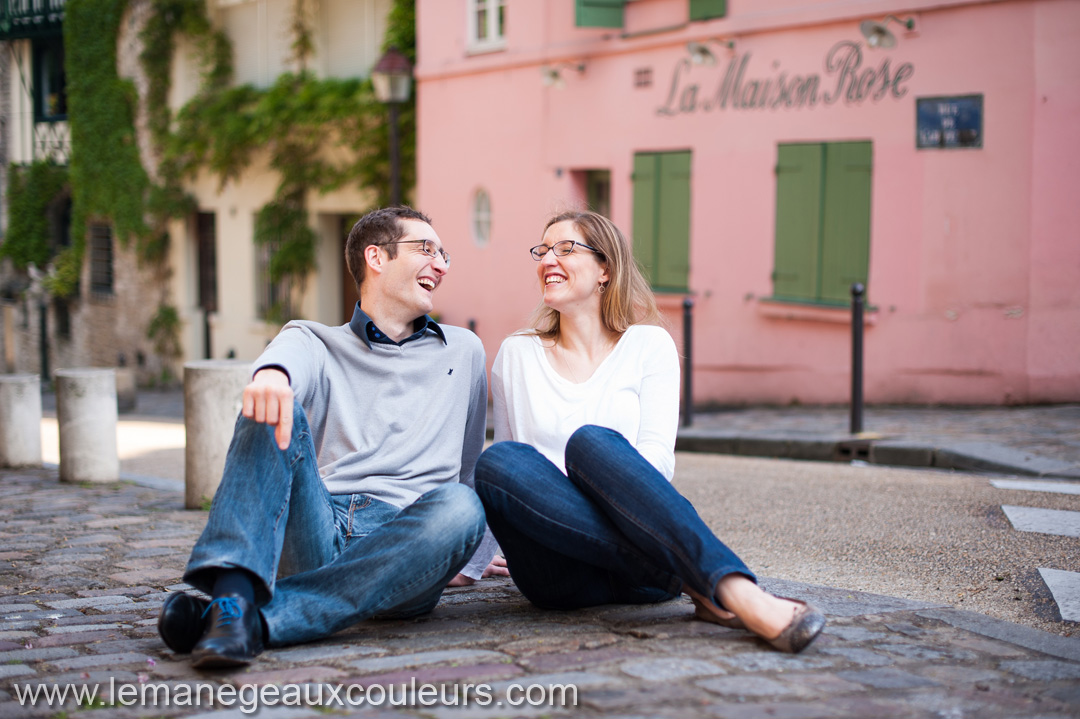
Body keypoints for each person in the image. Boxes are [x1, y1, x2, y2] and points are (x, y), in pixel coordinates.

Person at [158, 206, 504, 668]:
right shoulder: (316, 340)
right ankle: (238, 596)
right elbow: (286, 358)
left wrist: (469, 556)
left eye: (444, 254)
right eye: (426, 249)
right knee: (273, 402)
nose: (440, 264)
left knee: (461, 508)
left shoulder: (464, 350)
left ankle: (238, 616)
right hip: (319, 528)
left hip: (407, 543)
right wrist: (273, 376)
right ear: (376, 257)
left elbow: (467, 467)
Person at [474, 210, 825, 653]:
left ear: (605, 269)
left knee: (593, 443)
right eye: (542, 250)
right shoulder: (516, 353)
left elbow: (657, 462)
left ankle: (739, 593)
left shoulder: (649, 345)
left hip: (641, 577)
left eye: (566, 249)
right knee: (499, 461)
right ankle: (706, 584)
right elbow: (511, 479)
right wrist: (472, 562)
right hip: (558, 573)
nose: (548, 259)